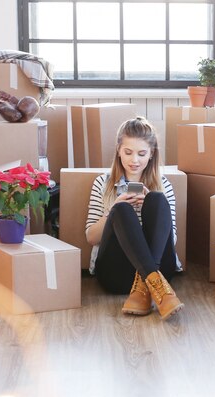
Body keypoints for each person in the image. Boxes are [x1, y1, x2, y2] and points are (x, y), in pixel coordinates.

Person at [85, 116, 184, 320]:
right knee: (121, 210)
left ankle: (147, 284)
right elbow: (91, 238)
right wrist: (113, 210)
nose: (134, 160)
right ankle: (154, 285)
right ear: (118, 151)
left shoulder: (163, 184)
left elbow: (171, 240)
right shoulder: (102, 184)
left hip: (158, 267)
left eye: (142, 153)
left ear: (151, 154)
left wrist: (154, 210)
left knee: (156, 199)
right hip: (116, 273)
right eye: (128, 152)